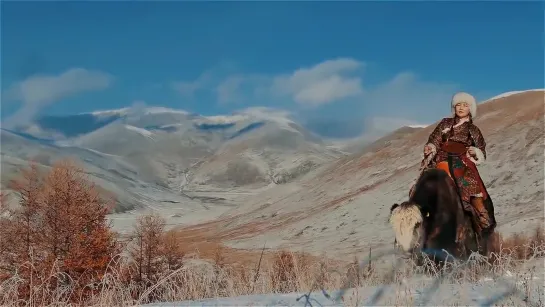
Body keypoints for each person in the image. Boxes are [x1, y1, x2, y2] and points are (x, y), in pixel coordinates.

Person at [420, 92, 496, 238]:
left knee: (471, 184)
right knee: (425, 182)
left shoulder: (473, 130)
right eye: (458, 105)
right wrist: (430, 146)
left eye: (465, 105)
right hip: (441, 157)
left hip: (462, 159)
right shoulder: (445, 123)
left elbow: (481, 149)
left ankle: (482, 216)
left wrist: (475, 152)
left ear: (470, 109)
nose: (461, 108)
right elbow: (434, 139)